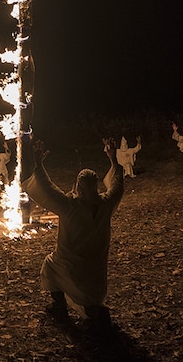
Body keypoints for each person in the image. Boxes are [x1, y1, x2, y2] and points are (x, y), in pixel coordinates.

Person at [21, 136, 125, 326]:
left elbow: (46, 188)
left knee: (50, 265)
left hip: (71, 269)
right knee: (90, 297)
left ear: (79, 187)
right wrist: (113, 159)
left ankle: (60, 306)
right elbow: (117, 184)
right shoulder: (106, 204)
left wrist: (38, 163)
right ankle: (93, 308)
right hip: (97, 281)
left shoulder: (70, 207)